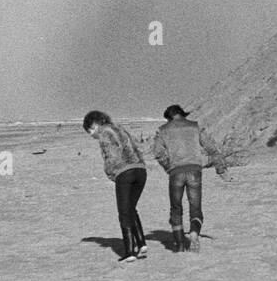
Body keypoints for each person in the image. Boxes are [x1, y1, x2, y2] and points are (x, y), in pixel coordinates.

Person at [152, 105, 225, 253]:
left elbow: (158, 153)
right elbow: (212, 148)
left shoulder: (163, 130)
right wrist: (220, 169)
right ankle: (193, 233)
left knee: (176, 208)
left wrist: (168, 167)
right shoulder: (195, 126)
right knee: (195, 207)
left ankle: (179, 245)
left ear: (169, 117)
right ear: (182, 114)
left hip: (176, 172)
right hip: (194, 171)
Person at [83, 110, 148, 263]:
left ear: (96, 124)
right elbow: (136, 147)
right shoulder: (120, 128)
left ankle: (129, 251)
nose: (92, 134)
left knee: (124, 211)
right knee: (130, 208)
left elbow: (111, 156)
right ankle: (141, 243)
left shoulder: (104, 134)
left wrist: (111, 173)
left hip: (125, 172)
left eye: (91, 130)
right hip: (140, 170)